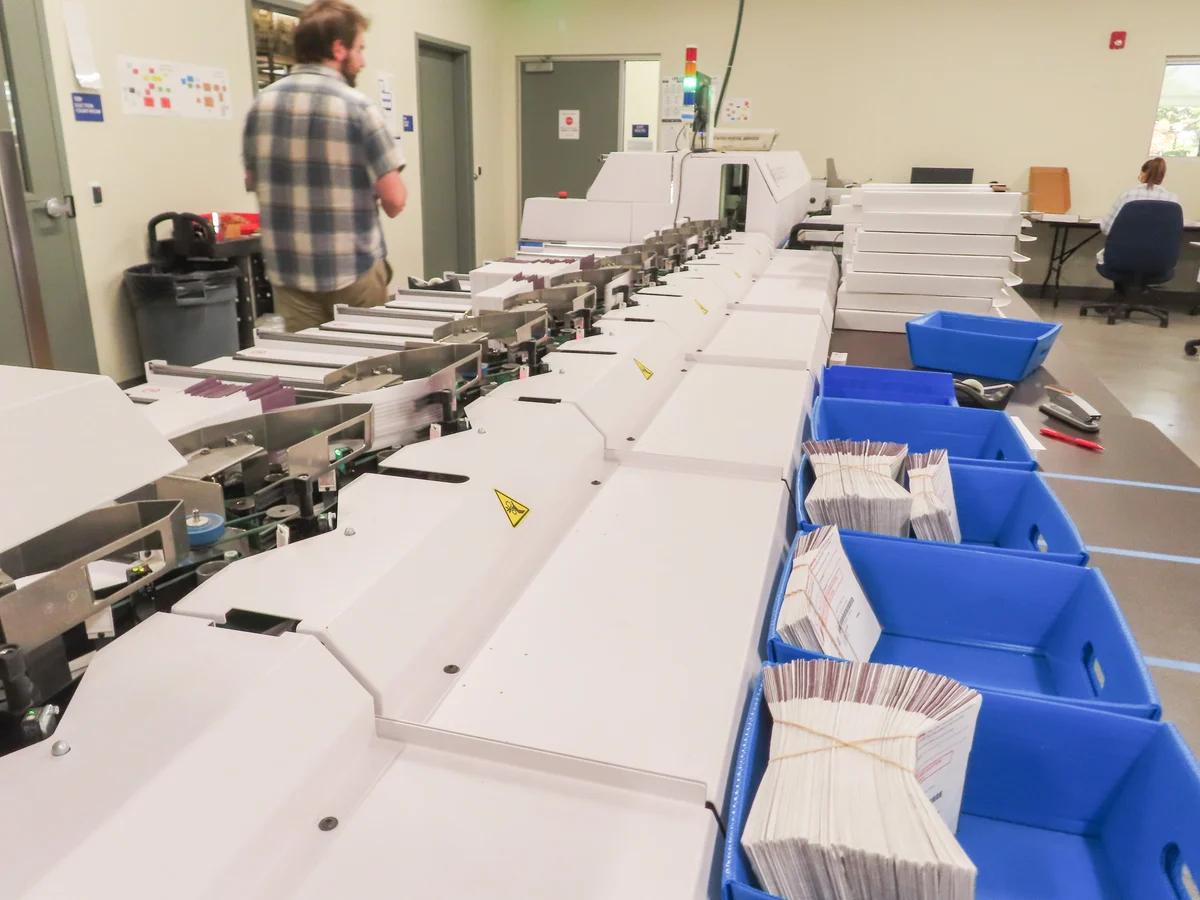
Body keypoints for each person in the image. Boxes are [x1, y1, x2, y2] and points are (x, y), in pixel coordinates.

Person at [243, 0, 407, 333]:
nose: (361, 60)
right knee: (368, 370)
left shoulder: (261, 106)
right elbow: (395, 200)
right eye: (359, 49)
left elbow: (252, 181)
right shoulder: (358, 108)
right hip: (353, 273)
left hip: (290, 275)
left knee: (314, 371)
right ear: (338, 48)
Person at [1099, 157, 1179, 235]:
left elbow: (1107, 228)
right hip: (1160, 248)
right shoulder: (1172, 199)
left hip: (1127, 247)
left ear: (1142, 174)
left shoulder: (1128, 195)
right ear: (1162, 177)